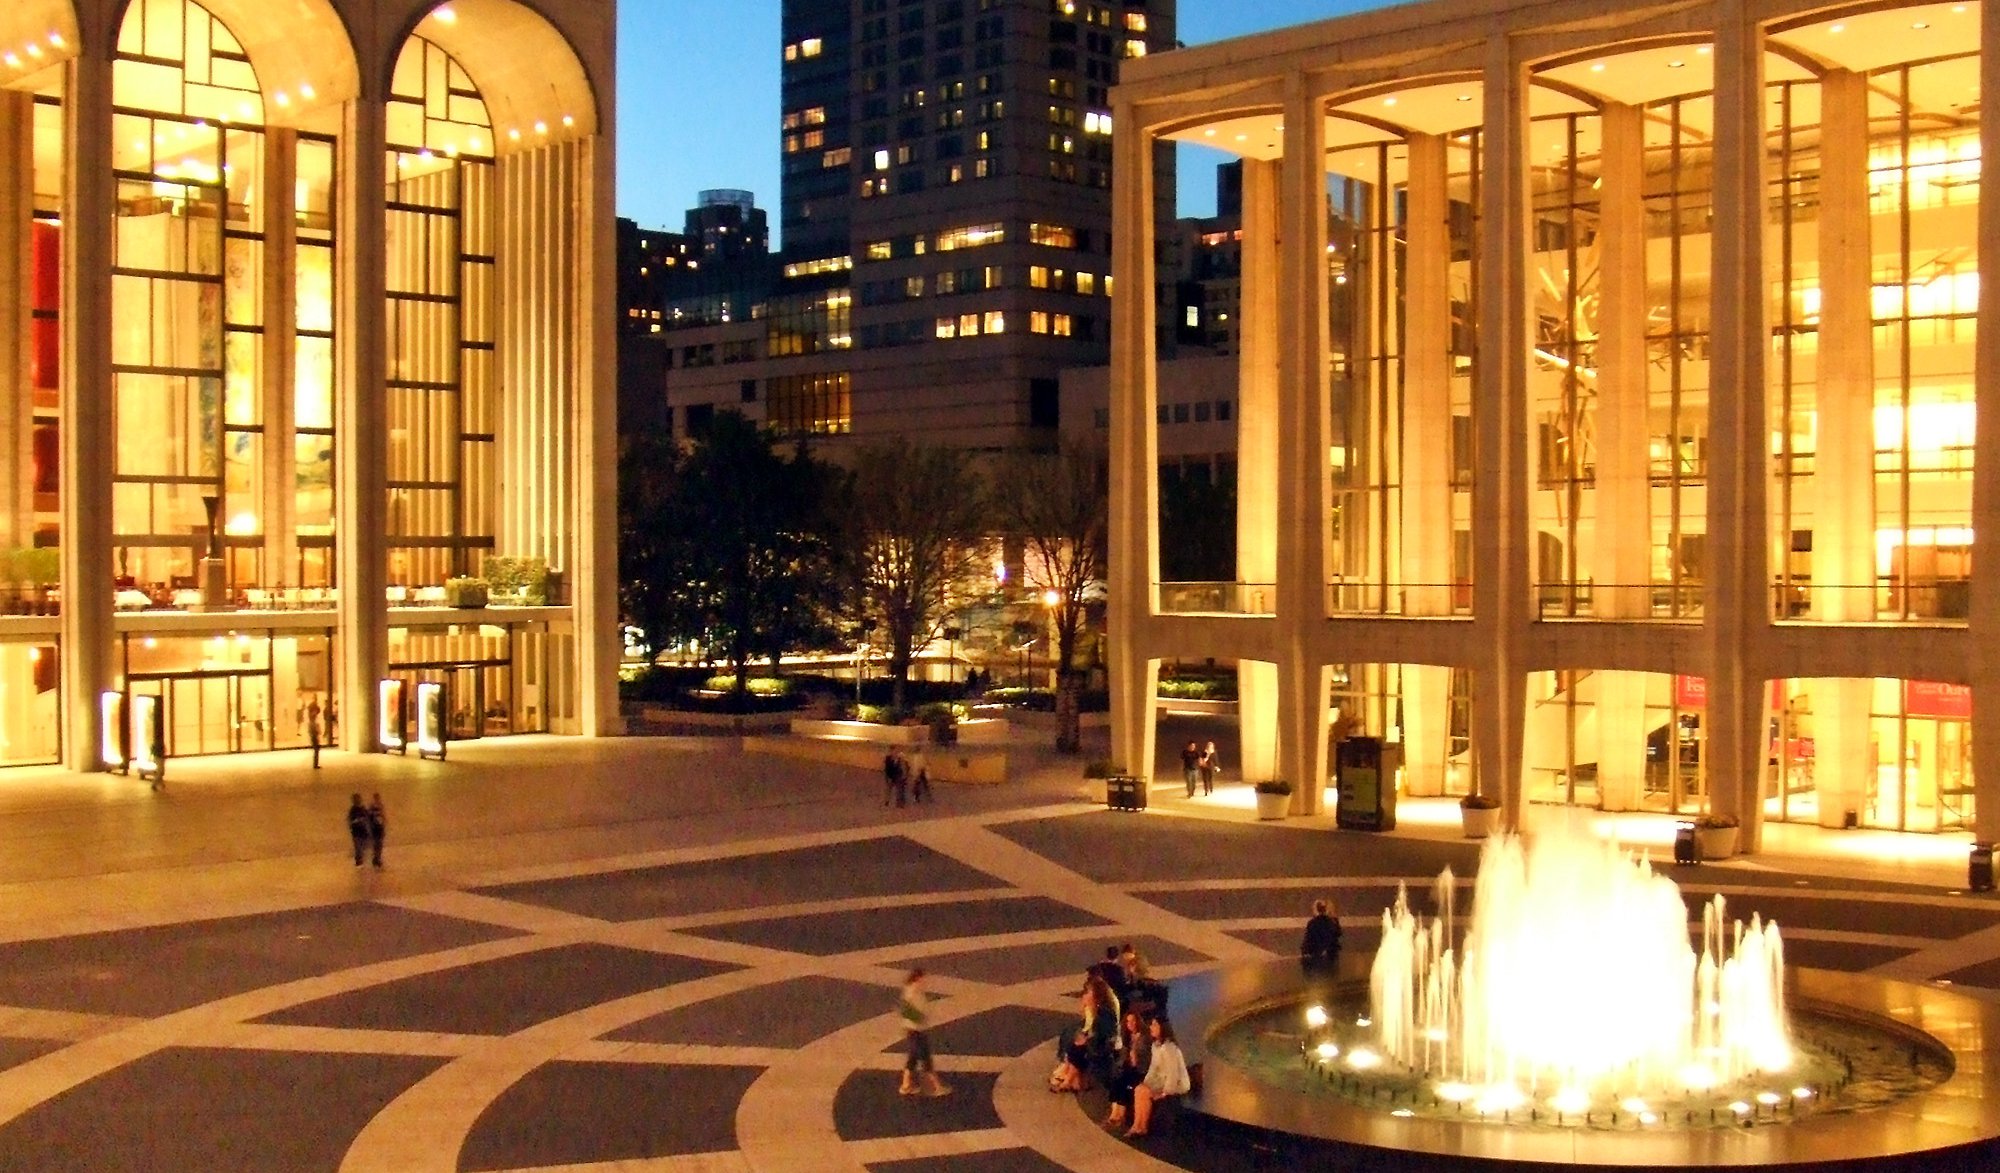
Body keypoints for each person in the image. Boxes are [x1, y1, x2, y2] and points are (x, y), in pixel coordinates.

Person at [1125, 1016, 1191, 1138]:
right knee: (1140, 1089)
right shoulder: (1156, 1045)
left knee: (1144, 1091)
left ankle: (1142, 1127)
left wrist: (1164, 1093)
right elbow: (1153, 1068)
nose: (1151, 1027)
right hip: (1161, 1080)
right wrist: (1146, 1083)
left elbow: (1173, 1075)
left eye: (1155, 1025)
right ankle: (1137, 1125)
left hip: (1176, 1084)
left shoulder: (1169, 1048)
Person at [898, 968, 950, 1096]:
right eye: (923, 979)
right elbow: (905, 1009)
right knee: (925, 1057)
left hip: (915, 1029)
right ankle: (936, 1086)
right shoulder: (913, 991)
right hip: (915, 1030)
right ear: (918, 978)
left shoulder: (913, 990)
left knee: (913, 1058)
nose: (925, 981)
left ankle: (906, 1086)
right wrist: (919, 1017)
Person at [1101, 1008, 1152, 1131]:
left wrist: (1134, 1057)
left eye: (1133, 1021)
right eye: (1128, 1022)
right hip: (1128, 1069)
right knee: (1117, 1079)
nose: (1131, 1024)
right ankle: (1115, 1114)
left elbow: (1142, 1061)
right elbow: (1123, 1058)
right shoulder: (1128, 1038)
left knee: (1123, 1080)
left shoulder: (1144, 1039)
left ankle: (1120, 1116)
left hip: (1141, 1070)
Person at [1300, 898, 1342, 972]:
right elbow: (1337, 933)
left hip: (1316, 954)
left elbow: (1309, 939)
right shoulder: (1332, 922)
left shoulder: (1312, 923)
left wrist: (1305, 952)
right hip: (1330, 954)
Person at [346, 794, 370, 866]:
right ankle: (359, 862)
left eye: (358, 799)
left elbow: (368, 818)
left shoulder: (363, 808)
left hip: (363, 831)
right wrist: (357, 821)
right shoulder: (352, 810)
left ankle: (360, 859)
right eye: (356, 799)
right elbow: (350, 820)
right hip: (356, 832)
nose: (358, 801)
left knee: (362, 846)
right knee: (358, 847)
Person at [366, 793, 387, 868]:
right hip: (374, 828)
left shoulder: (380, 806)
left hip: (379, 828)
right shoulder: (372, 808)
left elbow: (383, 817)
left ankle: (377, 858)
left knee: (379, 844)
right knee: (376, 845)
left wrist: (384, 826)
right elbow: (369, 818)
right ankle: (376, 859)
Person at [306, 696, 322, 769]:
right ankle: (315, 764)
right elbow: (314, 729)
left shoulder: (311, 719)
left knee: (316, 749)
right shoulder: (312, 720)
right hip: (314, 735)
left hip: (313, 734)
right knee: (316, 749)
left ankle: (315, 764)